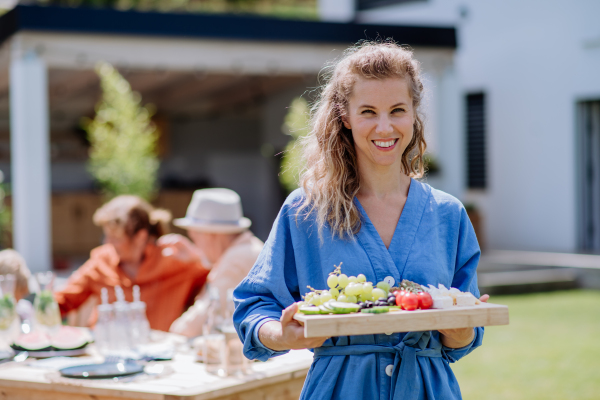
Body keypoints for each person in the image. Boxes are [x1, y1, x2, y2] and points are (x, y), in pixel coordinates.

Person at [233, 42, 489, 400]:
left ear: (414, 113)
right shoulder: (306, 211)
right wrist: (282, 335)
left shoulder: (448, 215)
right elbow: (254, 306)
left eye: (397, 110)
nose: (384, 127)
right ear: (345, 116)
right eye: (368, 111)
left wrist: (462, 329)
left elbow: (464, 333)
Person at [55, 195, 209, 331]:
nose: (108, 243)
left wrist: (196, 255)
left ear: (140, 237)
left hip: (159, 356)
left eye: (116, 238)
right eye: (106, 236)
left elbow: (218, 281)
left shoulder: (176, 262)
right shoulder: (101, 261)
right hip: (105, 353)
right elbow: (62, 301)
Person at [159, 188, 263, 338]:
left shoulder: (235, 260)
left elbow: (203, 317)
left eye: (195, 239)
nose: (196, 245)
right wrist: (196, 256)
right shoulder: (247, 249)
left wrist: (174, 332)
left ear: (211, 235)